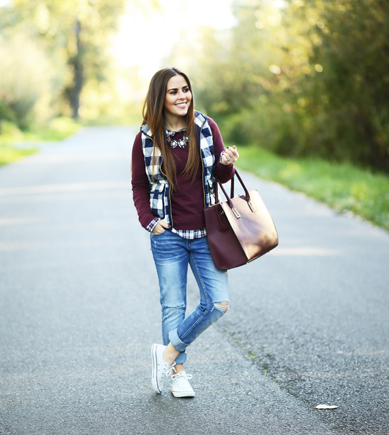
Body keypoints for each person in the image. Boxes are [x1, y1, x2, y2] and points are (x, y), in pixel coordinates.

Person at [131, 67, 240, 398]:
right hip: (168, 236)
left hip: (207, 233)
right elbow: (138, 184)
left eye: (185, 90)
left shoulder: (206, 128)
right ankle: (178, 375)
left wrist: (226, 161)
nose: (182, 97)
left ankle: (165, 354)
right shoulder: (146, 137)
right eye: (173, 92)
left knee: (218, 303)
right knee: (173, 306)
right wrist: (150, 221)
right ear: (160, 98)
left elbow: (221, 178)